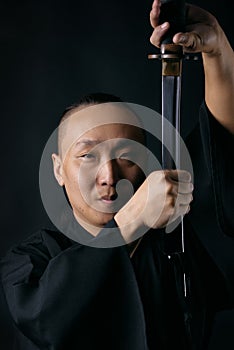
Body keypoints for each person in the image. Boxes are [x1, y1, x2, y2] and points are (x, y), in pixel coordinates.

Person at [1, 1, 234, 349]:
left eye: (126, 156)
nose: (109, 174)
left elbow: (219, 146)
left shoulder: (176, 237)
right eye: (87, 155)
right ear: (58, 169)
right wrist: (133, 218)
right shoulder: (30, 261)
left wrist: (218, 52)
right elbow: (46, 319)